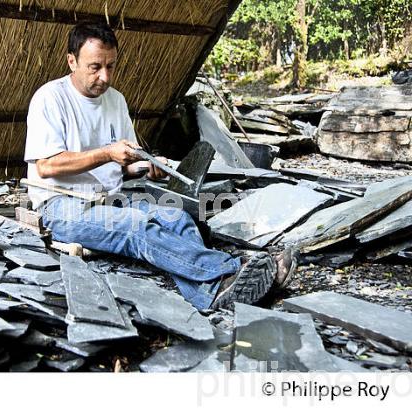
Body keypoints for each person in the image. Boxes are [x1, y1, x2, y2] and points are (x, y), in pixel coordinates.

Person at [24, 22, 296, 310]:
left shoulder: (115, 101)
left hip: (111, 199)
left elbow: (124, 164)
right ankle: (232, 270)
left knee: (176, 219)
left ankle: (211, 294)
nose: (104, 77)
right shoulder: (50, 98)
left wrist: (147, 165)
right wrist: (107, 153)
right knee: (136, 227)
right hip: (61, 206)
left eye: (111, 66)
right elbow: (47, 166)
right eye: (94, 67)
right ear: (71, 61)